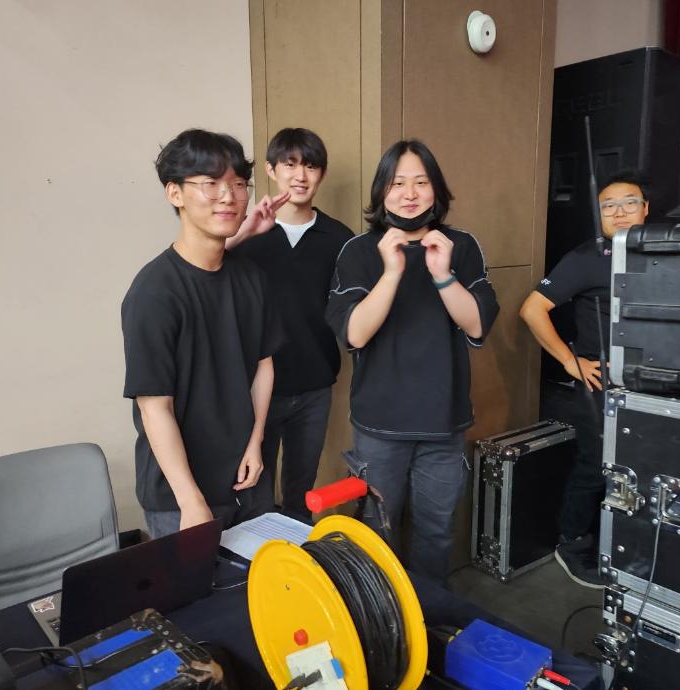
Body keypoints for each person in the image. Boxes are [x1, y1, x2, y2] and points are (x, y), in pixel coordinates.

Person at [326, 139, 499, 584]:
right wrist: (392, 271)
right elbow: (355, 332)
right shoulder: (359, 251)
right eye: (397, 183)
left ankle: (428, 614)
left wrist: (442, 275)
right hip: (379, 426)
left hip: (444, 423)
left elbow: (477, 324)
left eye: (421, 182)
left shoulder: (460, 246)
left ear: (435, 190)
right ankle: (381, 619)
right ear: (381, 191)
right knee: (374, 537)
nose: (409, 193)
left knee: (436, 536)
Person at [121, 128, 288, 539]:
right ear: (174, 193)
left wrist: (256, 441)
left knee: (260, 577)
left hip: (247, 478)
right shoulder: (154, 292)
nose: (229, 196)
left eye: (238, 184)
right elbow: (154, 407)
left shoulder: (251, 278)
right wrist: (190, 500)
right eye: (211, 183)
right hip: (181, 494)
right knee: (194, 583)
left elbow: (264, 365)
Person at [519, 169, 649, 587]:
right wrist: (570, 361)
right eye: (609, 206)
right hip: (599, 384)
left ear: (646, 209)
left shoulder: (666, 253)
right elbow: (532, 309)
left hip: (652, 384)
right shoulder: (586, 257)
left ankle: (626, 546)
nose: (619, 212)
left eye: (629, 203)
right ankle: (572, 542)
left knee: (641, 468)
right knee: (596, 465)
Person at [228, 128, 354, 521]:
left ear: (322, 174)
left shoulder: (339, 238)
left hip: (315, 387)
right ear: (270, 170)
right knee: (254, 497)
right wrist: (242, 233)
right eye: (290, 164)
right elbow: (205, 268)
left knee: (302, 494)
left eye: (311, 166)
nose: (300, 175)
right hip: (256, 387)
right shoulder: (245, 233)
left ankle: (295, 558)